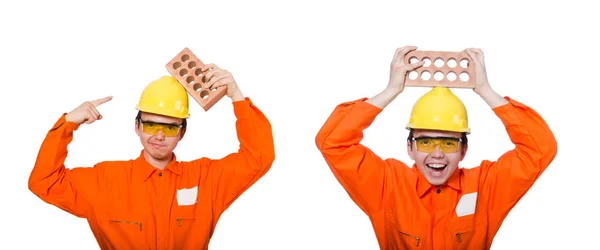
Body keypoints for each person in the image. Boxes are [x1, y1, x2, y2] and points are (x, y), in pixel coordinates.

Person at [315, 46, 557, 249]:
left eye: (449, 143)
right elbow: (332, 143)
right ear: (409, 148)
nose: (437, 153)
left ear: (464, 151)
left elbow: (540, 148)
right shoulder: (386, 185)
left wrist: (486, 91)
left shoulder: (486, 187)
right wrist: (390, 91)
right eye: (425, 141)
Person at [28, 64, 275, 249]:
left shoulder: (206, 180)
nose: (158, 135)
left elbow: (258, 157)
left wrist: (237, 96)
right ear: (137, 127)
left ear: (182, 133)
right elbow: (44, 182)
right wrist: (67, 124)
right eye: (150, 125)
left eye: (169, 127)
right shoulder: (104, 181)